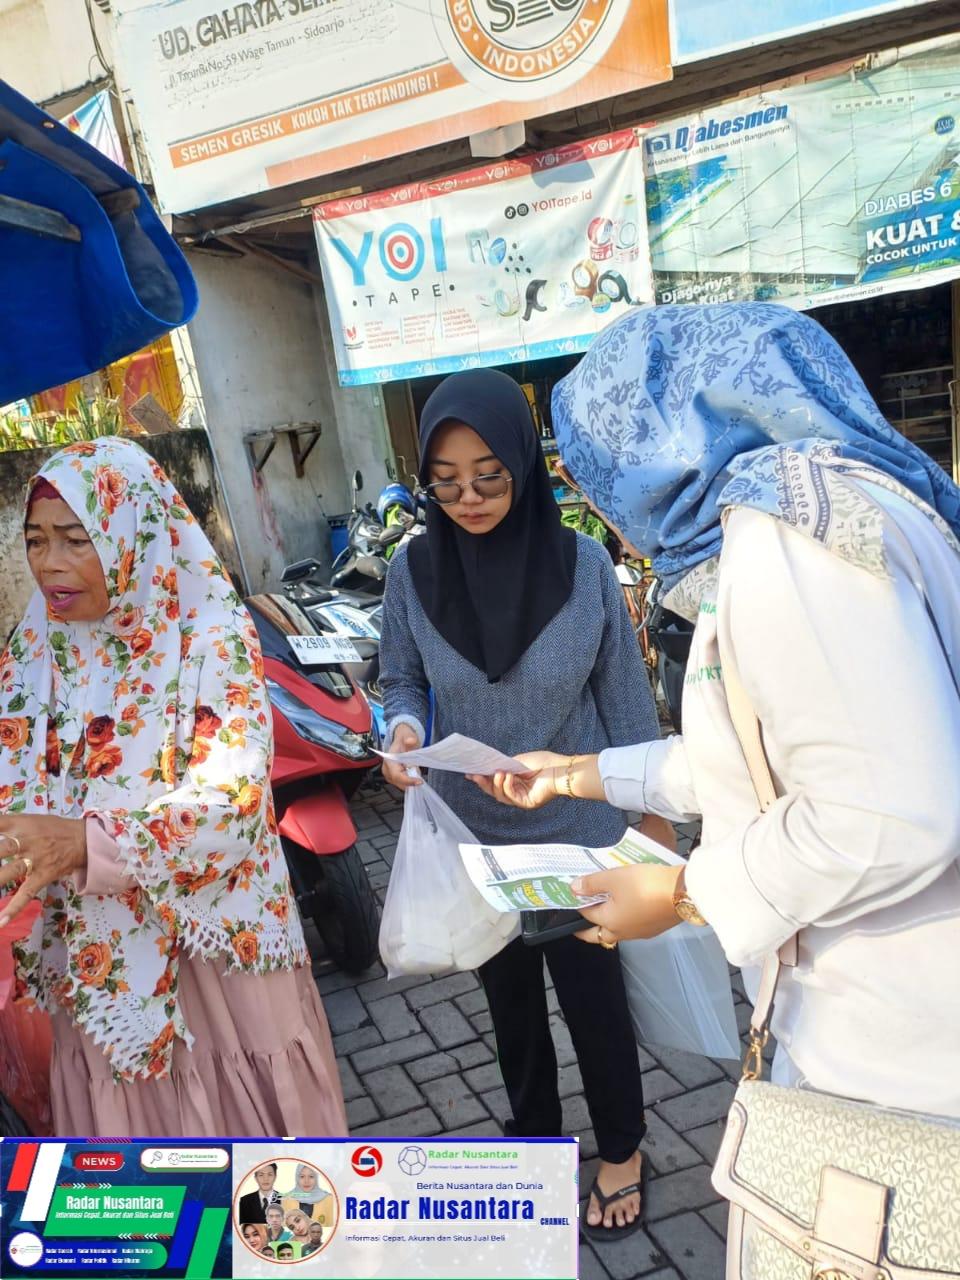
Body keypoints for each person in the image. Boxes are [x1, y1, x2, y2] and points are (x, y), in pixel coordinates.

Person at [478, 303, 960, 1117]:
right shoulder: (816, 512)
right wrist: (575, 775)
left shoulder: (785, 542)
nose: (606, 511)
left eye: (601, 471)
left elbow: (888, 812)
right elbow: (769, 757)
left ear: (657, 449)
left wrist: (682, 894)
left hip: (898, 1054)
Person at [380, 369, 669, 1238]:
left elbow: (625, 704)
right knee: (511, 1011)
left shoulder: (582, 566)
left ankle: (622, 1148)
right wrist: (401, 730)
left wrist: (651, 831)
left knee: (595, 1004)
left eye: (490, 476)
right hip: (477, 841)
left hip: (578, 836)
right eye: (447, 479)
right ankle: (535, 1147)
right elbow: (402, 677)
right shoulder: (411, 572)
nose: (468, 497)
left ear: (523, 463)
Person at [0, 438, 348, 1136]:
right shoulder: (37, 646)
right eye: (35, 540)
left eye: (76, 539)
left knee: (261, 1163)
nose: (49, 564)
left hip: (217, 947)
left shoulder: (209, 638)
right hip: (99, 956)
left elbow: (235, 808)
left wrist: (85, 845)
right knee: (144, 1177)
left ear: (134, 533)